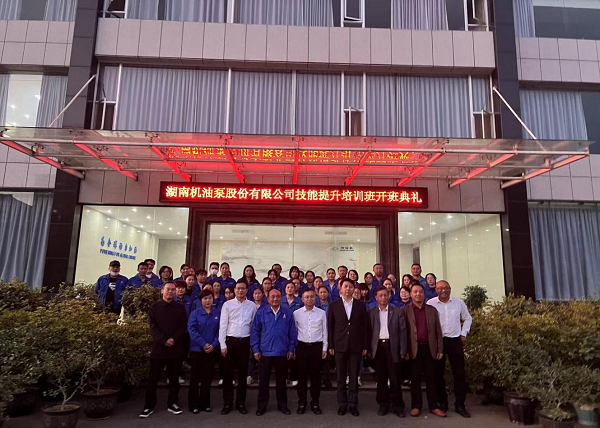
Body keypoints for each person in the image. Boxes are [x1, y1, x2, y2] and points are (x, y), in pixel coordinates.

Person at [139, 281, 188, 418]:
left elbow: (183, 326)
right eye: (168, 289)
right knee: (153, 379)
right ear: (162, 291)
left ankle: (173, 403)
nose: (170, 292)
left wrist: (173, 339)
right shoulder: (155, 307)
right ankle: (149, 406)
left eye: (173, 290)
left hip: (175, 348)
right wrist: (164, 340)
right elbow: (153, 327)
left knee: (174, 379)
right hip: (159, 348)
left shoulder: (180, 308)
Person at [427, 280, 473, 418]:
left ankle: (460, 405)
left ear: (450, 289)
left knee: (459, 374)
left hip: (455, 341)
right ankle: (443, 403)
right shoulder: (431, 303)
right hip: (438, 342)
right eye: (440, 288)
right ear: (436, 290)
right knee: (438, 374)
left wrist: (464, 334)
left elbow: (468, 318)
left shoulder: (458, 302)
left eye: (446, 288)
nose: (444, 290)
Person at [402, 283, 445, 418]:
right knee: (415, 379)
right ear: (411, 294)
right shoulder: (405, 311)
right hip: (414, 349)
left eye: (420, 292)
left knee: (431, 378)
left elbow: (438, 331)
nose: (418, 294)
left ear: (424, 294)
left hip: (430, 348)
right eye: (415, 292)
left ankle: (433, 406)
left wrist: (440, 349)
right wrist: (404, 350)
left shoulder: (432, 310)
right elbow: (403, 333)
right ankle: (416, 406)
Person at [252, 288, 297, 416]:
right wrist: (256, 349)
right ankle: (262, 406)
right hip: (265, 352)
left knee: (281, 381)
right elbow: (255, 332)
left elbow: (292, 332)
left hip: (282, 352)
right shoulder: (261, 313)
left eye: (277, 297)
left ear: (281, 298)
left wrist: (291, 348)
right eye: (272, 297)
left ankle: (282, 405)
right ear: (268, 298)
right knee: (263, 381)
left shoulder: (287, 313)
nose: (275, 299)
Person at [327, 278, 368, 417]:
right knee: (340, 377)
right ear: (340, 288)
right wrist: (331, 345)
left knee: (354, 377)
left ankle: (353, 404)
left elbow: (365, 327)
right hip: (339, 345)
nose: (348, 289)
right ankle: (342, 404)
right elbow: (330, 326)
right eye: (345, 286)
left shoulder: (360, 305)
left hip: (356, 345)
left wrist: (365, 345)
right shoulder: (334, 305)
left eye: (350, 286)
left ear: (354, 288)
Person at [368, 286, 408, 418]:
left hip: (393, 347)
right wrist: (368, 349)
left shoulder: (397, 311)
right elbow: (369, 332)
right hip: (379, 348)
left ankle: (398, 406)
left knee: (395, 378)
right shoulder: (372, 312)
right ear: (376, 297)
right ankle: (383, 404)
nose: (383, 298)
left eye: (385, 295)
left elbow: (403, 332)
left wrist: (403, 349)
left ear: (389, 296)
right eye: (380, 295)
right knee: (381, 378)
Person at [218, 280, 258, 415]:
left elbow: (253, 326)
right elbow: (223, 325)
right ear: (234, 290)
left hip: (244, 342)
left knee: (242, 374)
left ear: (247, 290)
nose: (240, 291)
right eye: (238, 288)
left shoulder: (252, 306)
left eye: (243, 288)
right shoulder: (227, 305)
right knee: (228, 374)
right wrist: (223, 345)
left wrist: (252, 344)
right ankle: (227, 403)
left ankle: (241, 403)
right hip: (230, 342)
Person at [293, 288, 327, 415]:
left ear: (315, 298)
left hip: (316, 347)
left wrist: (324, 348)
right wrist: (294, 348)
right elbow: (294, 332)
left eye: (312, 297)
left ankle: (315, 402)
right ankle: (302, 402)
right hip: (301, 347)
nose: (309, 299)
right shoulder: (296, 313)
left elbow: (325, 331)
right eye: (306, 297)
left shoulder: (321, 313)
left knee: (315, 377)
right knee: (301, 376)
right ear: (302, 299)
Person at [188, 289, 220, 414]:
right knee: (195, 378)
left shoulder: (217, 313)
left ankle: (205, 403)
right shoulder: (194, 314)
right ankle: (193, 404)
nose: (207, 301)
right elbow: (192, 331)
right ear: (201, 300)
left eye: (210, 298)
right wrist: (203, 344)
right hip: (197, 350)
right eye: (205, 298)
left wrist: (213, 345)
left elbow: (220, 331)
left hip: (211, 350)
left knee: (207, 378)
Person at [316, 284, 333, 389]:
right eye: (321, 292)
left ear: (328, 293)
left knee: (328, 357)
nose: (323, 294)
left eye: (325, 292)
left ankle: (327, 379)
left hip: (329, 331)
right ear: (318, 294)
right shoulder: (315, 306)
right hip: (317, 332)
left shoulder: (332, 305)